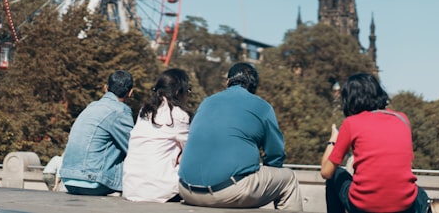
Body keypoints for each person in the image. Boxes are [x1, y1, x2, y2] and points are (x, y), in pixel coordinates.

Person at [178, 62, 303, 211]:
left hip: (186, 190)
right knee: (289, 179)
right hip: (228, 191)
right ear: (254, 85)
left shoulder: (206, 102)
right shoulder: (262, 106)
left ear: (227, 82)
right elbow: (275, 154)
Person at [320, 72, 429, 213]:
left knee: (336, 175)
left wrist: (333, 140)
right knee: (420, 194)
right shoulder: (403, 119)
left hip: (364, 206)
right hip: (403, 206)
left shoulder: (351, 123)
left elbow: (326, 172)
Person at [60, 70, 135, 196]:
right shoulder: (120, 111)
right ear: (130, 92)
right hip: (93, 181)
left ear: (105, 88)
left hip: (68, 179)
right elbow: (134, 147)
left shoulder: (91, 107)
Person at [123, 68, 192, 202]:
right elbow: (191, 153)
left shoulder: (145, 111)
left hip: (131, 188)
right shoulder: (179, 115)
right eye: (188, 90)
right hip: (160, 190)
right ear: (178, 92)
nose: (188, 94)